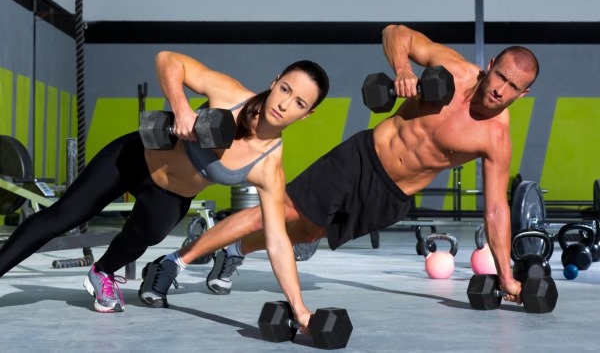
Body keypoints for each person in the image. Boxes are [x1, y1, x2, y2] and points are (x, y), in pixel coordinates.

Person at [141, 24, 539, 331]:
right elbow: (393, 33)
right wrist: (402, 68)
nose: (501, 90)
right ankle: (174, 262)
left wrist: (506, 276)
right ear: (490, 66)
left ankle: (234, 252)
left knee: (308, 233)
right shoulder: (451, 67)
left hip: (391, 196)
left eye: (513, 87)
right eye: (500, 76)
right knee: (277, 211)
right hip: (363, 157)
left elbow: (496, 210)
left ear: (522, 95)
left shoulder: (495, 139)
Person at [0, 51, 329, 313]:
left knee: (145, 237)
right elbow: (168, 59)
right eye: (286, 89)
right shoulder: (229, 94)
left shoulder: (269, 166)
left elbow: (277, 242)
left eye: (299, 102)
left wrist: (299, 309)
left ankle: (101, 273)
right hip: (134, 159)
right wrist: (181, 107)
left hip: (171, 197)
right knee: (61, 218)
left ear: (307, 114)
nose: (285, 103)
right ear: (275, 82)